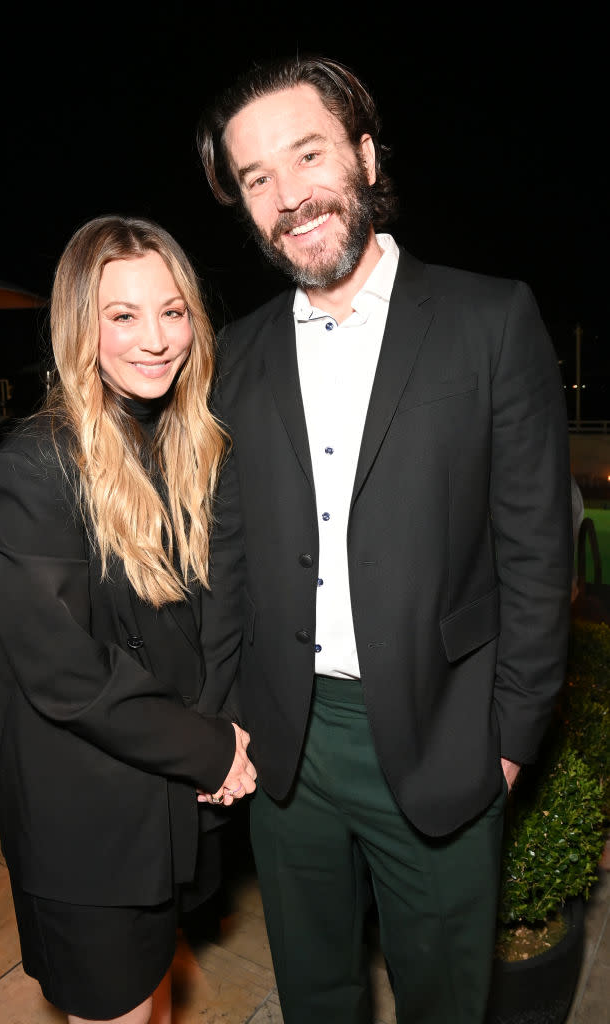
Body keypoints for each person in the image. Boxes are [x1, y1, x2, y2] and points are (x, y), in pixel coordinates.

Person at [195, 56, 573, 1023]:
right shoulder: (236, 355)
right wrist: (228, 711)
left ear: (362, 156)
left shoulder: (490, 318)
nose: (289, 196)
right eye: (256, 179)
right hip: (287, 746)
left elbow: (537, 548)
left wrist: (508, 740)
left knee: (444, 997)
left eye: (307, 154)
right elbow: (229, 552)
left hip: (448, 735)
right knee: (315, 994)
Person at [0, 215, 257, 1024]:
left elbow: (219, 612)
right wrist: (211, 750)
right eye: (122, 315)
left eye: (172, 311)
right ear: (78, 326)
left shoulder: (188, 444)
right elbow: (66, 675)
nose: (155, 339)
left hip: (169, 801)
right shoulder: (32, 465)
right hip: (88, 822)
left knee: (155, 1000)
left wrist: (226, 729)